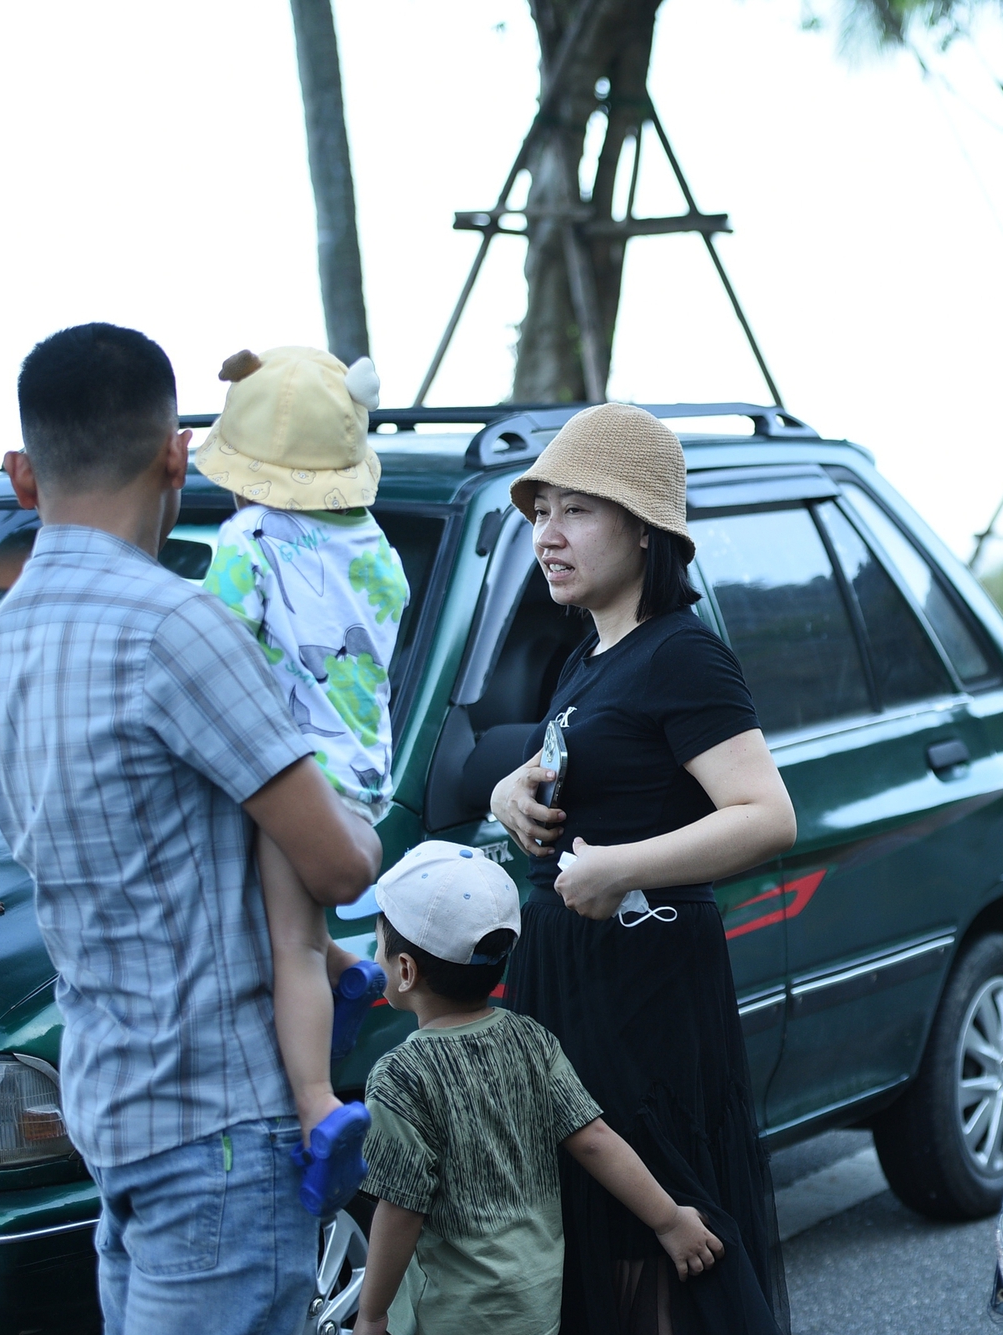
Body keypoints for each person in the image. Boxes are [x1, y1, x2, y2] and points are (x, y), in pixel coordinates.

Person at [0, 323, 381, 1333]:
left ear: (23, 474)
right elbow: (336, 865)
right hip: (218, 1130)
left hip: (110, 1113)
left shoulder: (4, 642)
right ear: (176, 455)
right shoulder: (175, 626)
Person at [488, 404, 798, 1335]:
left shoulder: (683, 652)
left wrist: (623, 869)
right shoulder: (589, 655)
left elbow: (767, 816)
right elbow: (591, 777)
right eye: (542, 511)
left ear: (645, 528)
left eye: (578, 510)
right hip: (574, 978)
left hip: (642, 984)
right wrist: (513, 791)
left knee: (654, 1234)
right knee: (597, 1236)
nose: (548, 533)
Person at [197, 345, 409, 1215]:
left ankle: (318, 1104)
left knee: (286, 942)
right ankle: (352, 969)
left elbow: (209, 649)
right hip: (360, 774)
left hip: (291, 778)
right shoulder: (380, 548)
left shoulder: (247, 541)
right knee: (298, 932)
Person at [354, 842, 726, 1335]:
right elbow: (595, 1140)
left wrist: (373, 1314)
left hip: (454, 1312)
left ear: (405, 971)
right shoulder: (531, 1040)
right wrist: (669, 1221)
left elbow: (399, 1208)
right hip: (536, 1298)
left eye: (380, 945)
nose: (375, 956)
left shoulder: (401, 1076)